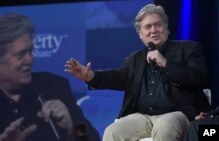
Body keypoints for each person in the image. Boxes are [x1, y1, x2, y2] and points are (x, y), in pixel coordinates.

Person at [65, 4, 211, 141]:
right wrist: (90, 76)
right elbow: (117, 77)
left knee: (165, 127)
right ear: (140, 34)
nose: (153, 30)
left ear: (166, 29)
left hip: (177, 114)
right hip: (142, 117)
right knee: (112, 132)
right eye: (147, 27)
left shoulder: (188, 49)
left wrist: (165, 63)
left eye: (158, 25)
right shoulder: (134, 60)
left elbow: (199, 77)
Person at [0, 13, 100, 141]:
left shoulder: (54, 87)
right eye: (20, 54)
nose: (29, 59)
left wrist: (71, 126)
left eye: (30, 51)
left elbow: (91, 135)